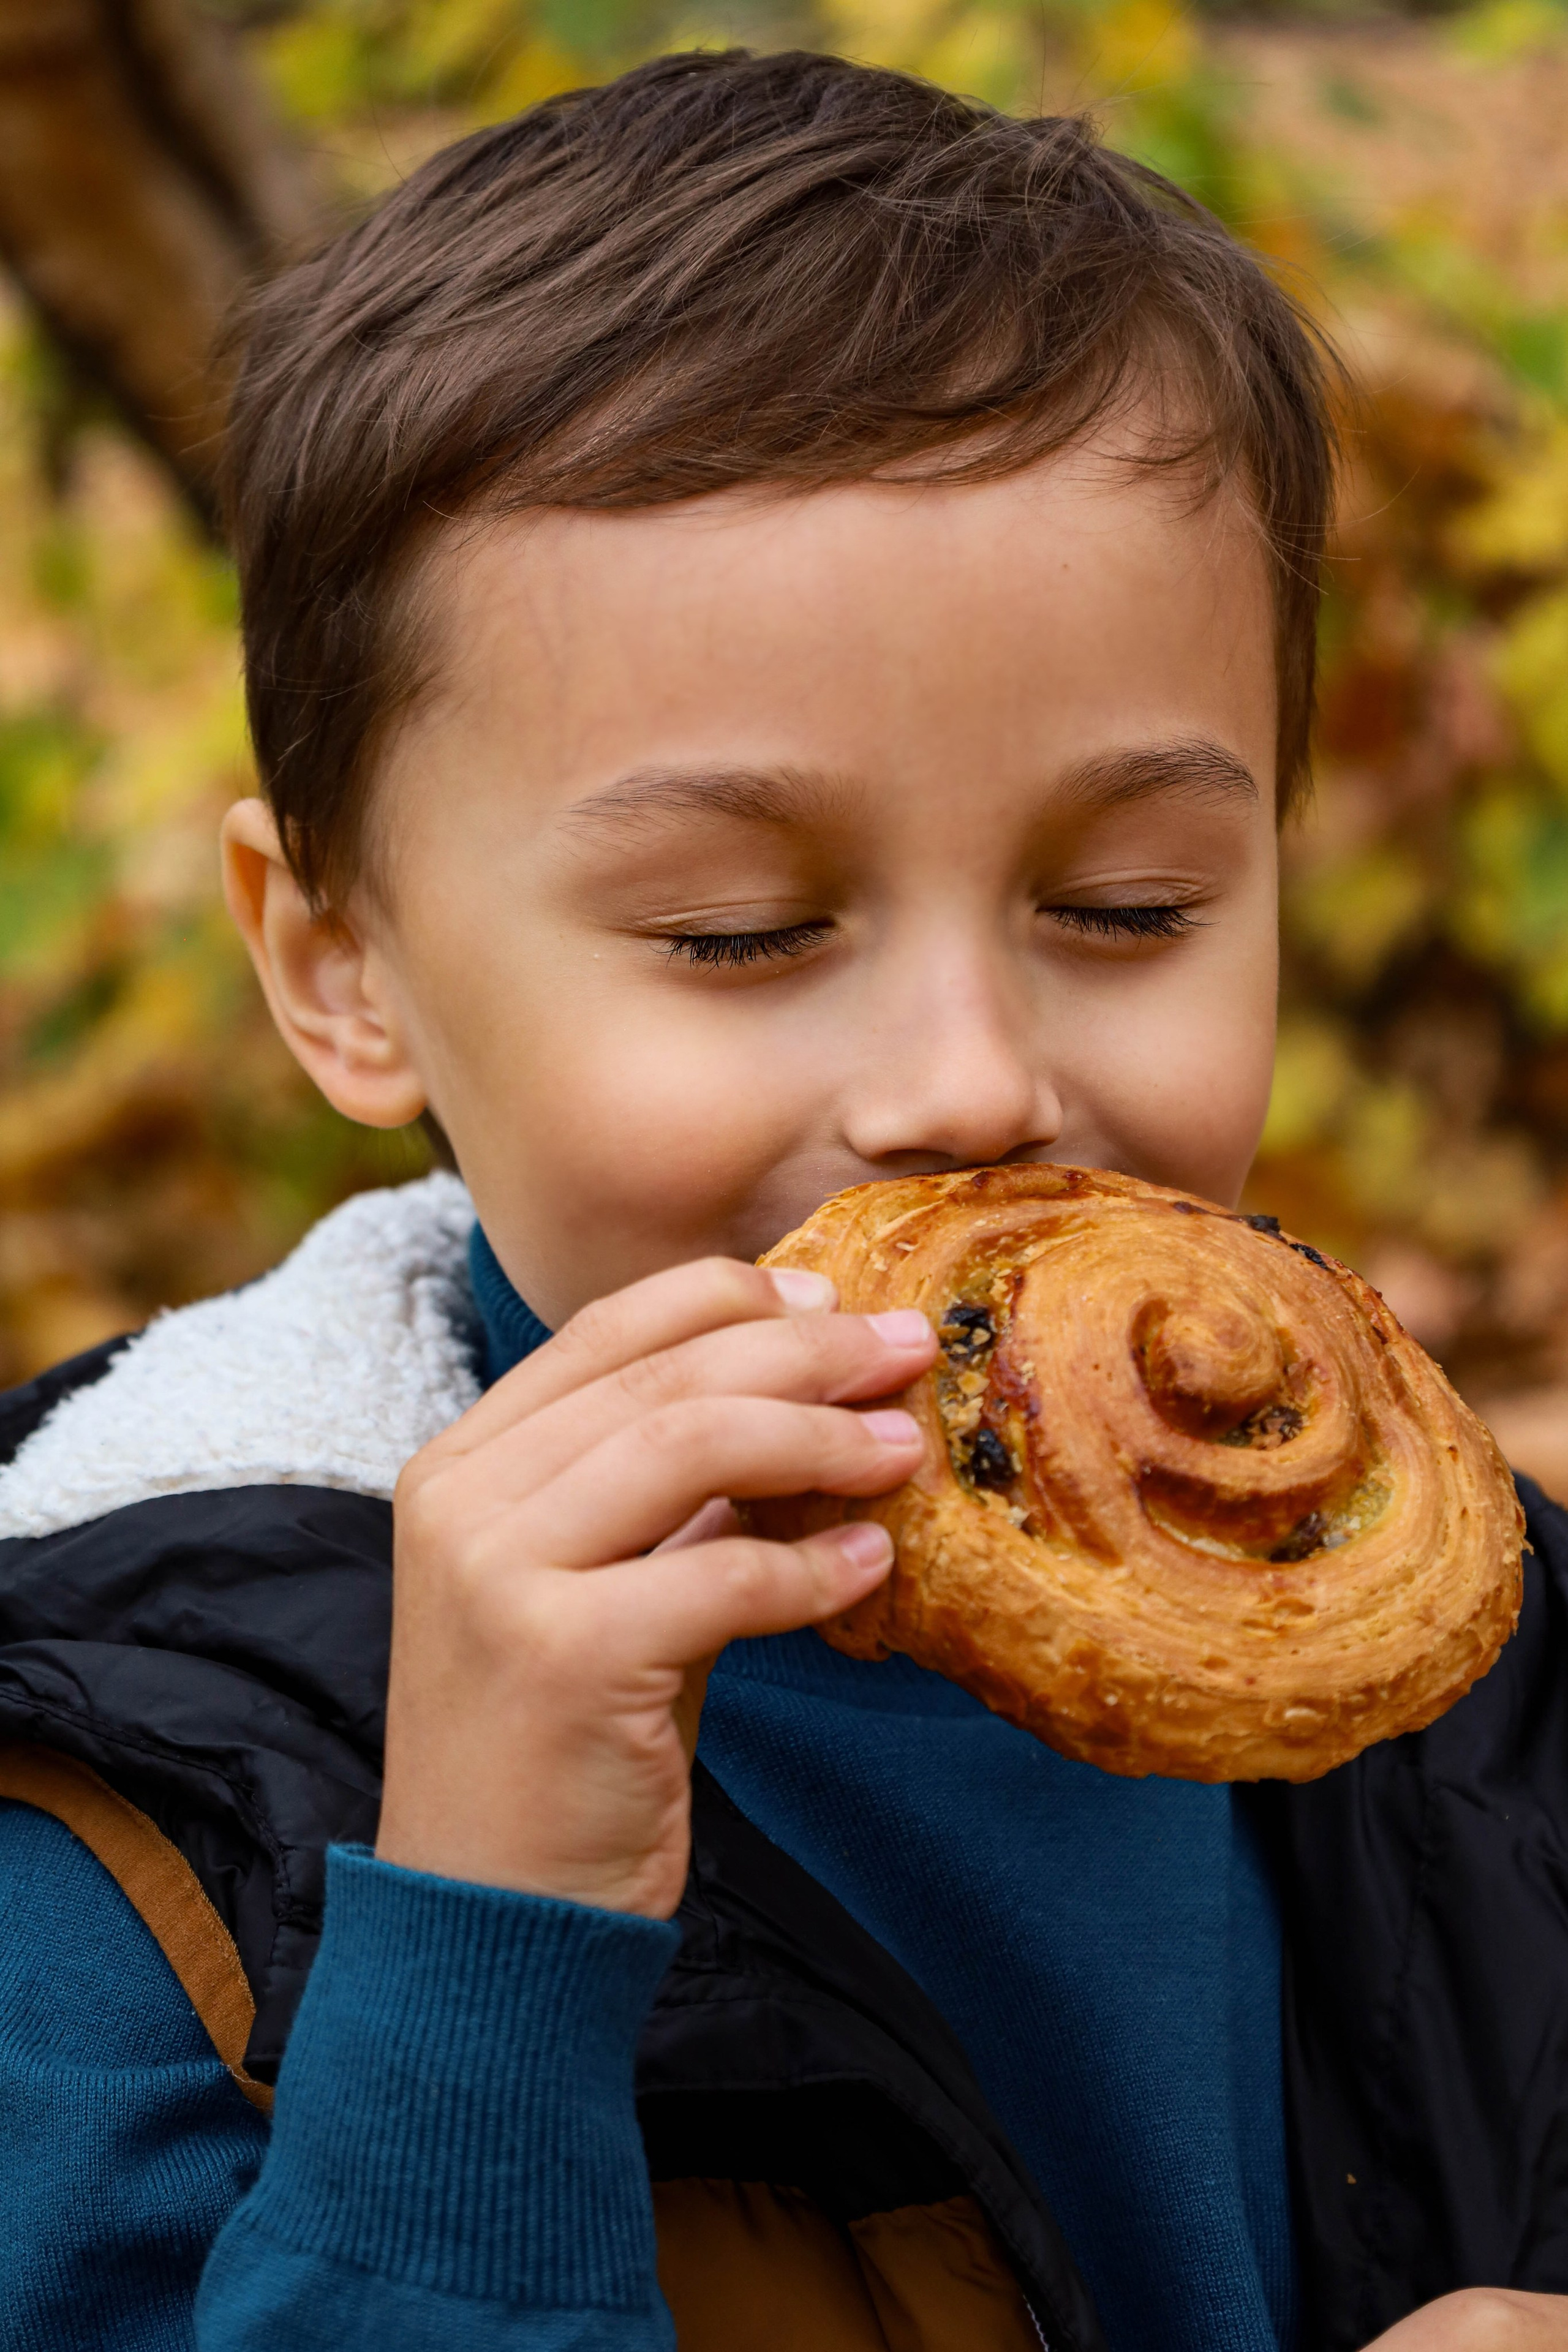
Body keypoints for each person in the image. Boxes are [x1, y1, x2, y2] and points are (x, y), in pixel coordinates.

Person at [0, 46, 1564, 2352]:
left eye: (1130, 906)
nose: (967, 1085)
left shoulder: (1485, 1676)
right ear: (344, 971)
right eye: (736, 934)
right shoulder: (131, 1828)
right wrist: (486, 1941)